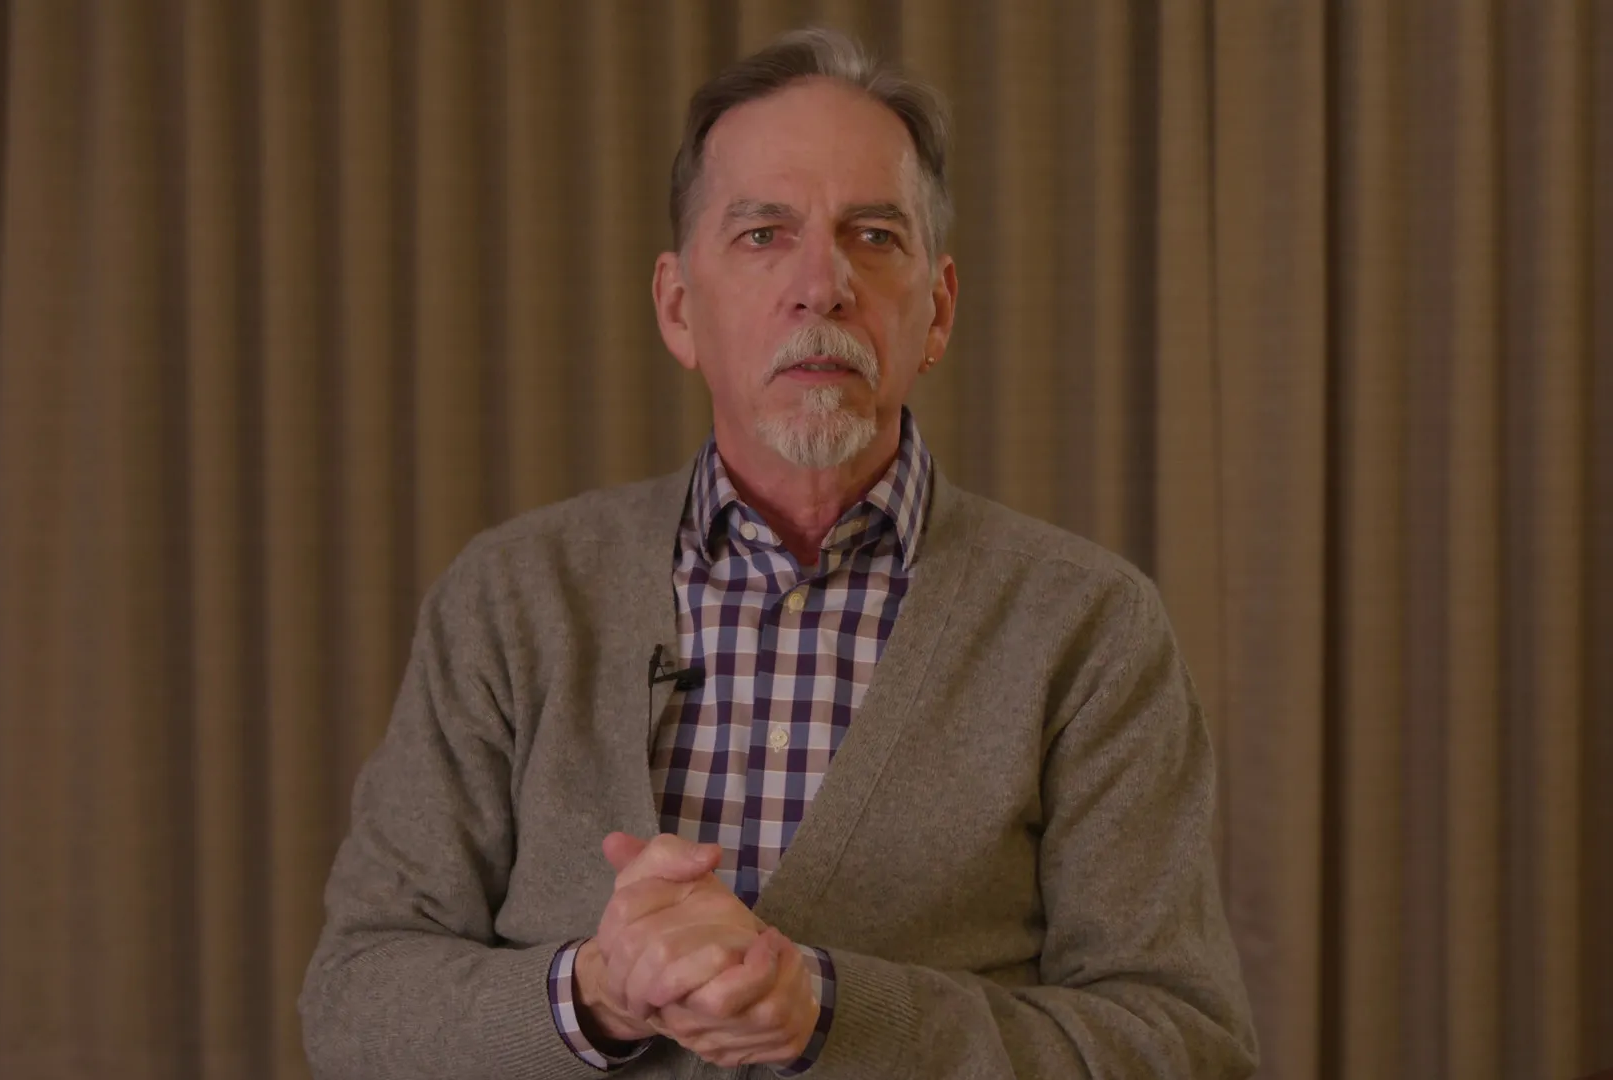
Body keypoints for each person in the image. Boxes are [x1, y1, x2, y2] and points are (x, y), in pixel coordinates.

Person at [301, 27, 1257, 1079]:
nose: (822, 285)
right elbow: (355, 1000)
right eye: (764, 234)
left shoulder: (1087, 626)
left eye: (874, 236)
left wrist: (833, 1013)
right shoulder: (512, 597)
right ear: (679, 308)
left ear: (937, 311)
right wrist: (595, 995)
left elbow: (1184, 1046)